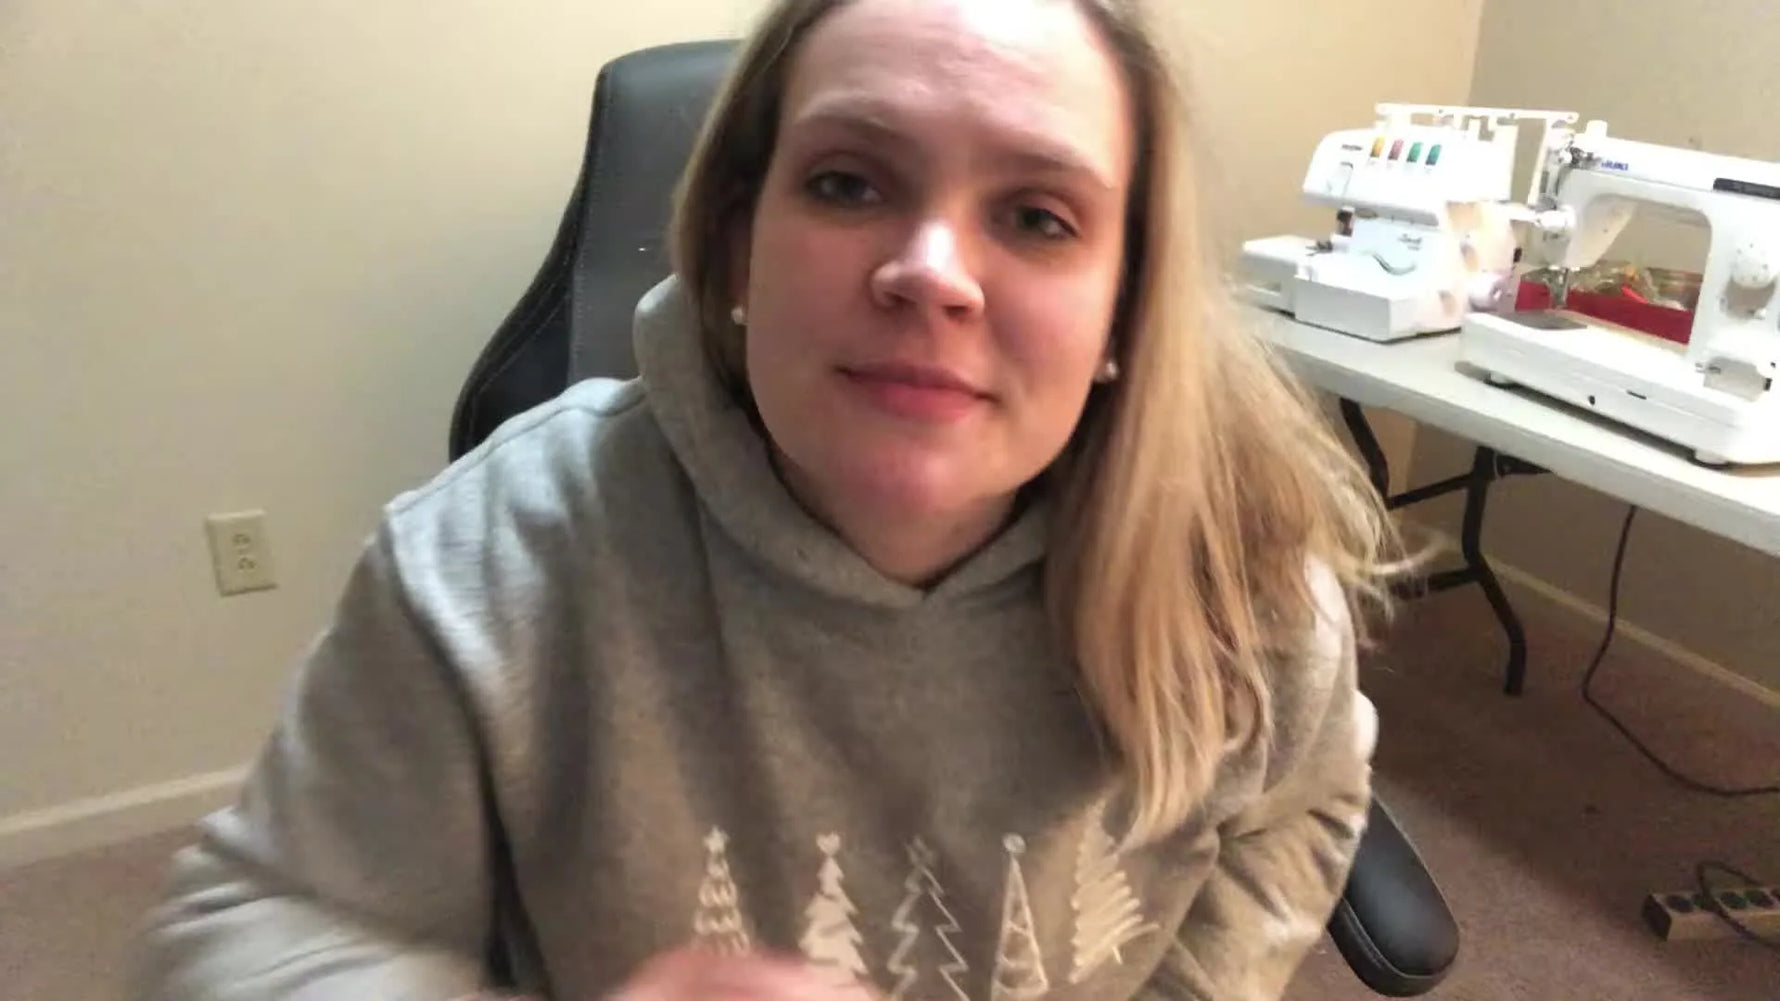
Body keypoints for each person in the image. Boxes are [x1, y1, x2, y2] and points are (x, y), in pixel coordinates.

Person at [133, 0, 1403, 999]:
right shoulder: (493, 553)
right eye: (850, 183)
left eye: (1034, 214)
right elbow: (272, 918)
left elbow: (1303, 800)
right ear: (737, 243)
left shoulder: (1240, 569)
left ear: (1123, 309)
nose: (929, 272)